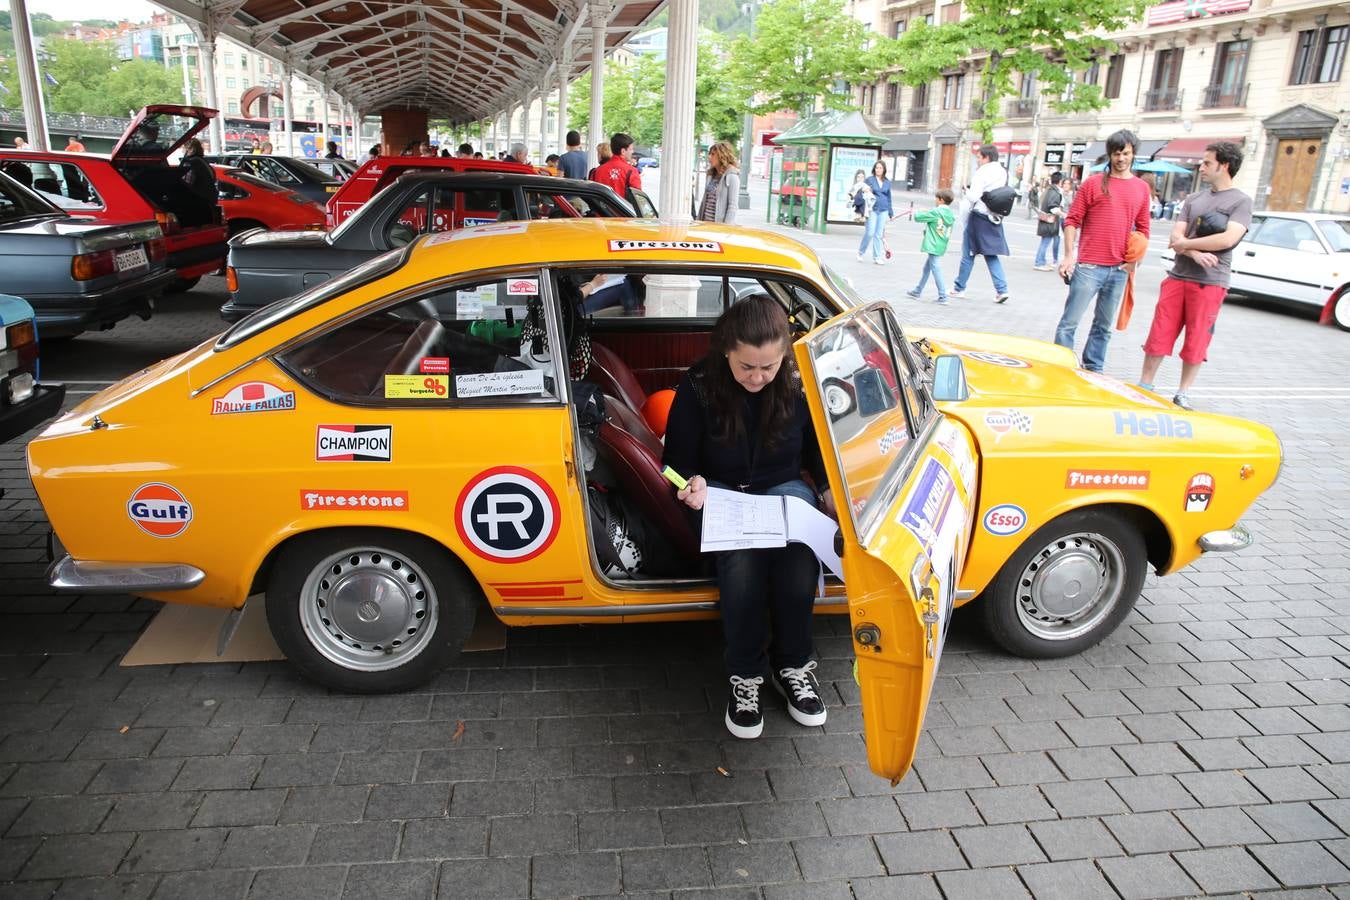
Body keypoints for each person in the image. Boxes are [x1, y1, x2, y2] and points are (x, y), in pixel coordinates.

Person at [662, 294, 834, 739]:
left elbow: (817, 449)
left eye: (768, 367)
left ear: (784, 355)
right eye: (746, 367)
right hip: (718, 491)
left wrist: (830, 490)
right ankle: (746, 676)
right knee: (742, 564)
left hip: (784, 489)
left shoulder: (797, 380)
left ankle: (793, 666)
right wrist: (690, 483)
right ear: (726, 351)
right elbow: (675, 461)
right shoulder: (698, 384)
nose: (757, 377)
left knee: (799, 563)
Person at [1137, 142, 1252, 411]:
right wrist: (1195, 253)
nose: (1202, 167)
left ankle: (1182, 393)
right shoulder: (1193, 199)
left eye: (1207, 163)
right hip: (1179, 276)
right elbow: (1174, 235)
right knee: (1160, 332)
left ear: (1224, 166)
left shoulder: (1240, 201)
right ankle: (1145, 386)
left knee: (1198, 338)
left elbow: (1229, 237)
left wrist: (1186, 246)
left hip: (1210, 282)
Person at [1053, 130, 1151, 373]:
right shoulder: (1093, 183)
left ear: (1133, 154)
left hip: (1119, 269)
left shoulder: (1141, 188)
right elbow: (1072, 220)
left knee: (1103, 326)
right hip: (1089, 266)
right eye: (1117, 153)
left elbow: (1144, 229)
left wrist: (1133, 263)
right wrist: (1068, 256)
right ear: (1110, 154)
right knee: (1069, 323)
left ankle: (1094, 370)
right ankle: (1060, 368)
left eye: (1126, 153)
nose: (1121, 158)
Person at [949, 144, 1011, 303]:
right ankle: (1002, 289)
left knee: (968, 253)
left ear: (986, 157)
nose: (977, 161)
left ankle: (959, 288)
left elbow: (974, 196)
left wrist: (966, 190)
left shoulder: (982, 172)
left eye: (979, 157)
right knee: (991, 254)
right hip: (994, 216)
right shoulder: (1002, 171)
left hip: (979, 216)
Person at [905, 188, 956, 304]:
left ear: (941, 200)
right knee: (927, 268)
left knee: (936, 269)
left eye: (936, 199)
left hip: (933, 244)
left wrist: (917, 212)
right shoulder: (949, 214)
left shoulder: (936, 212)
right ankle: (918, 290)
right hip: (941, 244)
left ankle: (943, 296)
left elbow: (918, 217)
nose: (935, 201)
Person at [855, 160, 892, 265]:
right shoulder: (869, 180)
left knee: (879, 235)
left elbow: (889, 197)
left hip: (883, 209)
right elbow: (861, 191)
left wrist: (890, 212)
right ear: (874, 169)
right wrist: (865, 190)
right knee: (870, 232)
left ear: (884, 169)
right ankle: (860, 252)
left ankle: (877, 257)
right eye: (877, 168)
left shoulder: (887, 182)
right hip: (872, 209)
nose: (878, 170)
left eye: (880, 168)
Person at [697, 141, 740, 224]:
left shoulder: (732, 176)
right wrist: (698, 221)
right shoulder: (711, 175)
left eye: (713, 154)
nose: (709, 157)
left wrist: (725, 228)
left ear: (722, 156)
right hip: (704, 225)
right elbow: (704, 202)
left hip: (719, 227)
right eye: (709, 154)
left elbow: (732, 206)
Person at [591, 132, 642, 198]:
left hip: (600, 208)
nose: (632, 152)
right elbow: (638, 198)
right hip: (622, 208)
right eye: (631, 149)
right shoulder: (631, 171)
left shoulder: (597, 171)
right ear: (623, 151)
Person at [1034, 171, 1066, 271]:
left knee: (1045, 241)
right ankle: (1039, 262)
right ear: (1060, 181)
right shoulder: (1054, 192)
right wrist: (1064, 214)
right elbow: (1053, 207)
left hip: (1046, 220)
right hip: (1050, 221)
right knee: (1045, 242)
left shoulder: (1048, 190)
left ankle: (1040, 261)